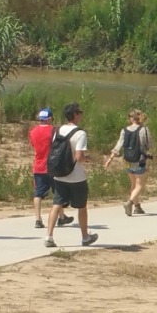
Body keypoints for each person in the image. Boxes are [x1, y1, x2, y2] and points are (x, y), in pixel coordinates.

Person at [46, 102, 98, 247]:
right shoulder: (80, 133)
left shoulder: (57, 130)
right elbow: (79, 156)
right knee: (81, 207)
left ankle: (49, 236)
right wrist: (88, 159)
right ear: (75, 115)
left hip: (59, 174)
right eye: (80, 112)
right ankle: (85, 237)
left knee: (56, 204)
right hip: (77, 176)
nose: (81, 114)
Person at [29, 107, 74, 230]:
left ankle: (38, 219)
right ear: (49, 119)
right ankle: (61, 217)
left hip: (38, 165)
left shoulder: (32, 132)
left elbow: (34, 145)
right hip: (52, 166)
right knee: (58, 193)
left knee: (38, 193)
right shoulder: (54, 131)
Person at [104, 109, 152, 216]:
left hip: (127, 160)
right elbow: (148, 144)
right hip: (139, 160)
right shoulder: (143, 130)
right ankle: (129, 202)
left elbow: (118, 145)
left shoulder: (124, 130)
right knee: (139, 185)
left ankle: (137, 206)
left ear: (131, 118)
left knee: (133, 183)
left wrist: (109, 159)